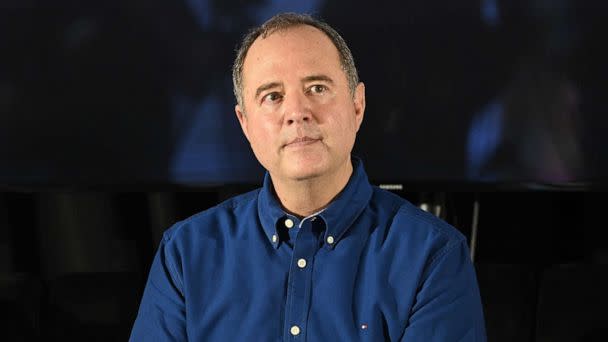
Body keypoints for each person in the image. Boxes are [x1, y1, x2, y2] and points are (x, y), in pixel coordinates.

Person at [130, 12, 486, 341]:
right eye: (273, 96)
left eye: (317, 88)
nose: (297, 113)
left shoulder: (433, 258)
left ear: (357, 105)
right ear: (245, 124)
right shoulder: (184, 254)